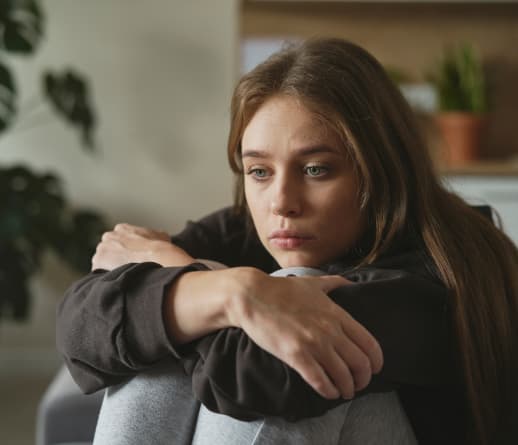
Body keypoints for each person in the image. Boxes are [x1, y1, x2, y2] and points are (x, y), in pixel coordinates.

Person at [56, 38, 518, 445]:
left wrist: (188, 272)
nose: (281, 202)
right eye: (259, 171)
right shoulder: (255, 228)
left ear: (382, 170)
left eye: (316, 169)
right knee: (163, 330)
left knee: (291, 304)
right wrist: (232, 292)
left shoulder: (437, 273)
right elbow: (80, 327)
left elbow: (259, 379)